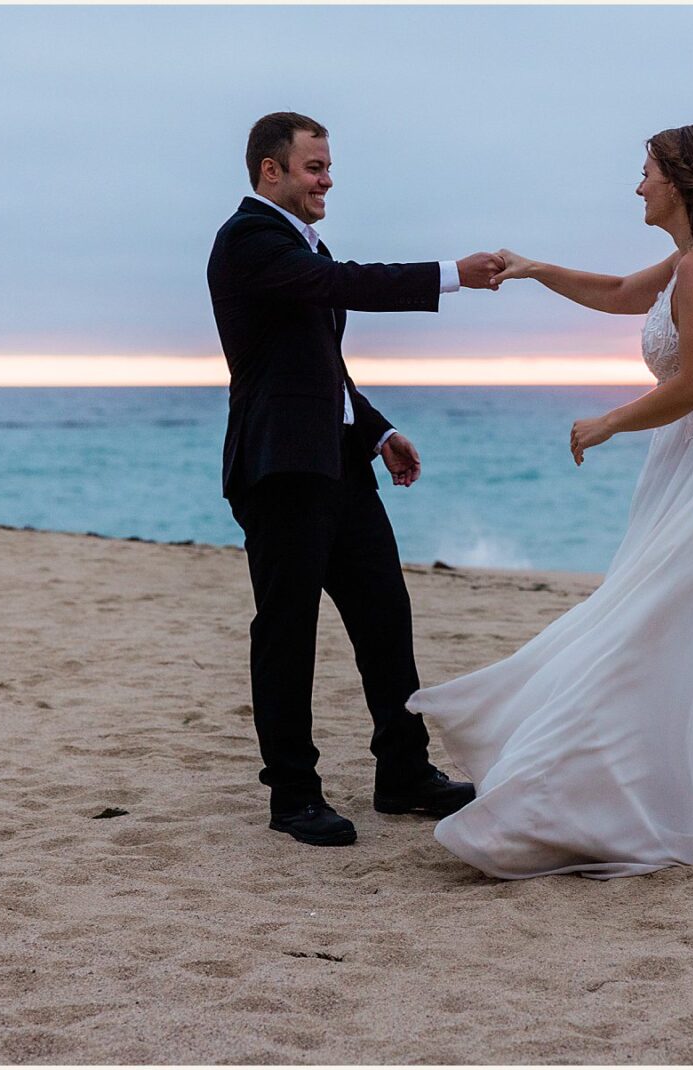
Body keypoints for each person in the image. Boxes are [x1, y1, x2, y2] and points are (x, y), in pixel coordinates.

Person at [406, 123, 693, 879]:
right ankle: (607, 802)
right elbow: (616, 294)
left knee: (643, 636)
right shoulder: (689, 261)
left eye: (646, 172)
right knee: (641, 632)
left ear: (678, 182)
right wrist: (534, 268)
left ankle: (597, 806)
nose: (638, 185)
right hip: (690, 462)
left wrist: (608, 422)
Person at [207, 111, 503, 846]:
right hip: (281, 470)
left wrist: (377, 432)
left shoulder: (302, 246)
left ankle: (402, 773)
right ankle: (293, 796)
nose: (328, 180)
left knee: (384, 617)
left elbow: (322, 369)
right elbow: (344, 283)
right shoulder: (248, 239)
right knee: (287, 632)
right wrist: (452, 275)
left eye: (328, 167)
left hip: (339, 464)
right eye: (315, 167)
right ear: (271, 170)